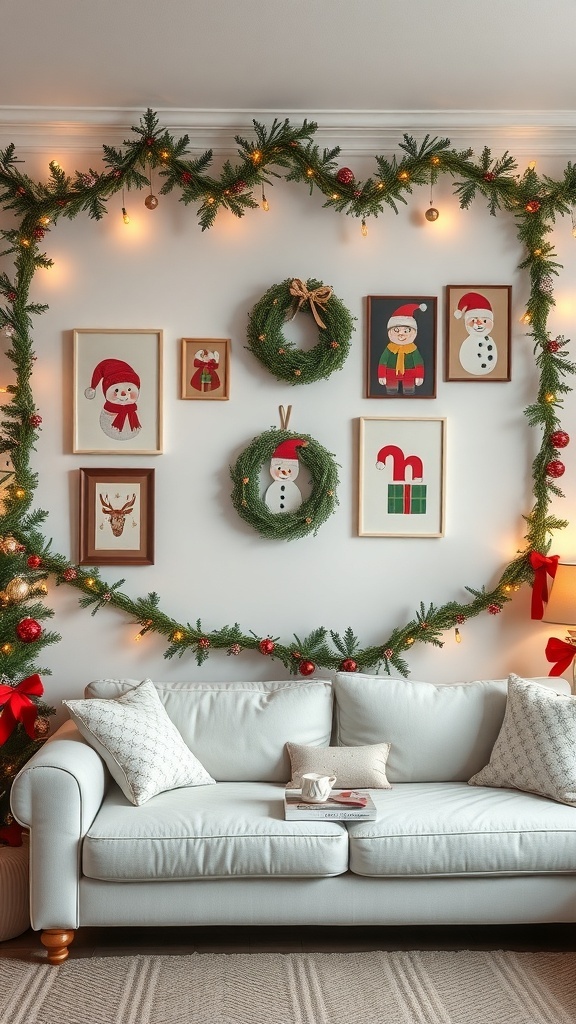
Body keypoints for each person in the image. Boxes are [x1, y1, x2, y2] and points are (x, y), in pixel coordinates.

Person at [378, 302, 427, 394]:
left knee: (409, 390)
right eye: (396, 330)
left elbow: (419, 363)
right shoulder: (389, 349)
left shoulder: (413, 349)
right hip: (391, 373)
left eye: (406, 331)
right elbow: (382, 362)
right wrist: (382, 375)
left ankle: (408, 390)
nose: (401, 335)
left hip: (409, 374)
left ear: (414, 332)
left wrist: (419, 376)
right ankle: (392, 390)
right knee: (391, 390)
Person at [453, 291, 498, 376]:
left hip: (488, 369)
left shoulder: (489, 341)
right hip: (470, 368)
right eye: (474, 320)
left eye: (485, 320)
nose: (479, 324)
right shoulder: (468, 342)